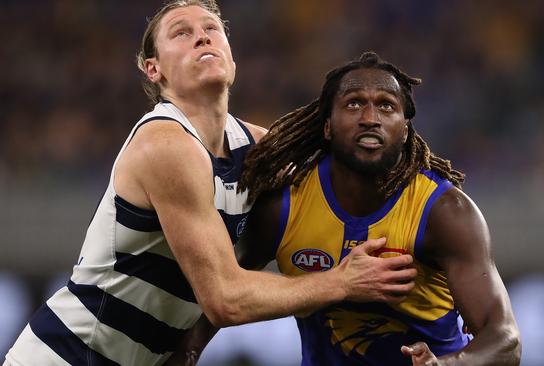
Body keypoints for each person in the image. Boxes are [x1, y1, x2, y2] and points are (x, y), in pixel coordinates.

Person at [3, 3, 417, 366]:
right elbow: (224, 299)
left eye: (211, 29)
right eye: (182, 33)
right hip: (66, 356)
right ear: (155, 69)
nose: (202, 36)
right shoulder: (165, 143)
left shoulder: (256, 147)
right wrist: (342, 281)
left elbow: (348, 172)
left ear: (232, 60)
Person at [175, 51, 522, 365]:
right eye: (354, 104)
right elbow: (220, 292)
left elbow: (505, 339)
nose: (370, 117)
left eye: (386, 105)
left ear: (404, 130)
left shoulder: (444, 212)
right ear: (327, 126)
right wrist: (187, 352)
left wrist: (445, 365)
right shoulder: (284, 205)